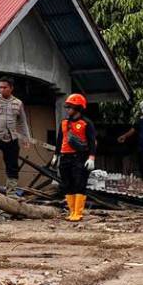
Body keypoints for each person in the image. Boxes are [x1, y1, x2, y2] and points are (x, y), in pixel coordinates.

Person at [52, 94, 96, 222]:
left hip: (80, 157)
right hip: (65, 156)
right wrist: (56, 155)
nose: (67, 109)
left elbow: (92, 141)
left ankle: (78, 212)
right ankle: (71, 211)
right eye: (67, 107)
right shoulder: (64, 123)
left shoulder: (86, 123)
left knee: (79, 183)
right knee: (67, 184)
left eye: (70, 107)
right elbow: (60, 139)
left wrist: (91, 157)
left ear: (78, 108)